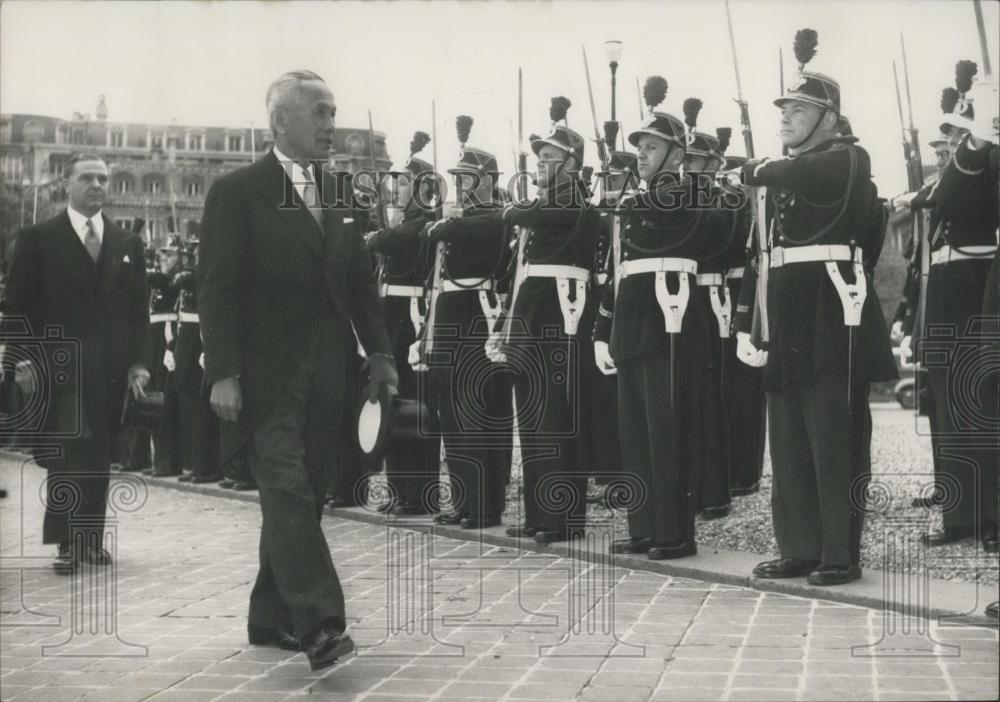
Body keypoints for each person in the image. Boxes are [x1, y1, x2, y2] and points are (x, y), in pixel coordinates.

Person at [198, 70, 397, 670]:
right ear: (280, 120)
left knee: (304, 491)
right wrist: (223, 372)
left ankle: (270, 615)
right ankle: (320, 623)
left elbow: (359, 284)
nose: (332, 124)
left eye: (333, 112)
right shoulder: (237, 192)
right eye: (320, 112)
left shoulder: (339, 193)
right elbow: (218, 289)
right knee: (285, 486)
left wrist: (381, 355)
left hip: (329, 369)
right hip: (264, 375)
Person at [735, 30, 896, 586]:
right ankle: (799, 547)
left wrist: (755, 168)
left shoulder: (847, 158)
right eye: (784, 109)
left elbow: (801, 174)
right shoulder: (786, 170)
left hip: (832, 312)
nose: (786, 117)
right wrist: (750, 321)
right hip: (788, 313)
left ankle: (838, 553)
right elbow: (760, 251)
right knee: (789, 438)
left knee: (834, 437)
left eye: (799, 109)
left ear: (829, 118)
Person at [594, 78, 725, 560]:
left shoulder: (688, 192)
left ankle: (675, 533)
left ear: (676, 154)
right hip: (633, 322)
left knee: (669, 432)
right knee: (636, 433)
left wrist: (626, 201)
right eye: (640, 148)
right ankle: (645, 526)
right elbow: (618, 269)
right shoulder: (635, 200)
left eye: (651, 147)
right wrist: (601, 330)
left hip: (671, 319)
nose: (642, 155)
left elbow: (673, 214)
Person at [4, 153, 151, 573]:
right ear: (66, 184)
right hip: (58, 365)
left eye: (103, 178)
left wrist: (139, 363)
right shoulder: (38, 238)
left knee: (99, 453)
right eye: (87, 177)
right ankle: (67, 542)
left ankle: (90, 539)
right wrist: (21, 361)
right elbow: (18, 306)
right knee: (67, 451)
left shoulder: (127, 243)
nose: (97, 185)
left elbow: (138, 311)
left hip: (109, 369)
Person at [900, 62, 999, 552]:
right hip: (943, 294)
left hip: (974, 289)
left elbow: (961, 202)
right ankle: (958, 513)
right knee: (946, 410)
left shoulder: (982, 163)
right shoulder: (950, 174)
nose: (948, 150)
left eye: (955, 138)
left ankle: (987, 516)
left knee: (977, 404)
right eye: (946, 143)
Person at [497, 98, 601, 544]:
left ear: (572, 164)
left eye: (549, 156)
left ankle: (562, 518)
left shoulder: (575, 203)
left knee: (556, 416)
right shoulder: (542, 203)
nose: (539, 162)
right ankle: (540, 513)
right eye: (538, 156)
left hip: (562, 314)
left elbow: (539, 214)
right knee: (532, 416)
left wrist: (515, 209)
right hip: (531, 315)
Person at [419, 117, 513, 530]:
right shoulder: (459, 218)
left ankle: (484, 504)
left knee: (477, 411)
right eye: (457, 178)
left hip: (477, 316)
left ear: (488, 180)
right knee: (451, 413)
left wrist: (446, 223)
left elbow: (476, 228)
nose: (459, 185)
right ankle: (463, 499)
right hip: (450, 315)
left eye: (468, 178)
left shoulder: (495, 215)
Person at [364, 131, 442, 516]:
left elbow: (398, 239)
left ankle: (420, 492)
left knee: (415, 403)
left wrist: (377, 235)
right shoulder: (403, 222)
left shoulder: (424, 224)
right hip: (392, 314)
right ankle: (398, 488)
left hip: (412, 317)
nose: (395, 190)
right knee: (393, 402)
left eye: (404, 184)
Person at [681, 103, 735, 520]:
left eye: (695, 161)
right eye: (684, 160)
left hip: (708, 295)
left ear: (714, 164)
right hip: (680, 296)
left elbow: (717, 241)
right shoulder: (677, 197)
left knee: (711, 395)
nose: (687, 168)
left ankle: (714, 490)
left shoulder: (724, 200)